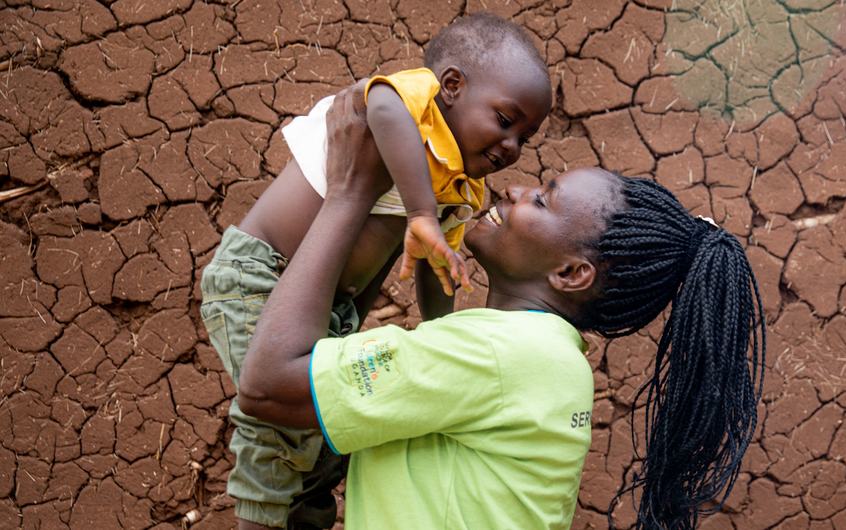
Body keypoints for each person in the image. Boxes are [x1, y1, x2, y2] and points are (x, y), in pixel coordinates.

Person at [236, 82, 767, 529]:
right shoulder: (547, 363)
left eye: (543, 200)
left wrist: (351, 192)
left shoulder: (494, 354)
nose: (514, 190)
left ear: (570, 273)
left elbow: (268, 386)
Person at [198, 12, 551, 529]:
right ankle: (259, 519)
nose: (511, 147)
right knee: (275, 422)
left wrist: (441, 334)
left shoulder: (461, 189)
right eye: (504, 120)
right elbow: (378, 102)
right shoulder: (415, 107)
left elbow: (434, 270)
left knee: (329, 438)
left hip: (330, 312)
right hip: (258, 277)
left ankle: (305, 517)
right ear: (451, 86)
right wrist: (421, 212)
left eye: (526, 136)